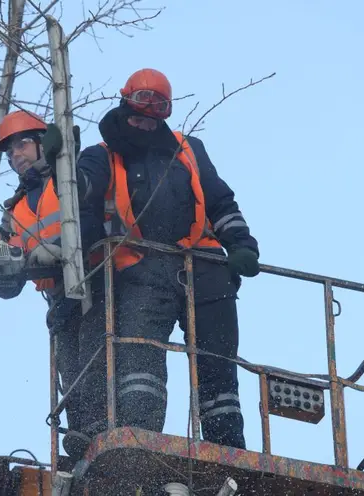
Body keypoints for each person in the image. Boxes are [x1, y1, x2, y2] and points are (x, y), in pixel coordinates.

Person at [41, 69, 261, 452]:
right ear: (125, 105)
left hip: (205, 266)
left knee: (217, 362)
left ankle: (227, 446)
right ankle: (141, 442)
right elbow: (79, 192)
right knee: (139, 363)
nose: (145, 122)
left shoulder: (188, 149)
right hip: (141, 268)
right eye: (139, 112)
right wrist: (62, 162)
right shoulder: (103, 155)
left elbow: (220, 201)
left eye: (154, 114)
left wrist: (241, 245)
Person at [0, 110, 106, 464]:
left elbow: (93, 220)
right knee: (70, 369)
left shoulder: (70, 178)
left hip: (96, 283)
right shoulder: (15, 211)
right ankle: (82, 439)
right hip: (59, 298)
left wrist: (63, 248)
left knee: (96, 359)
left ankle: (105, 428)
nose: (15, 156)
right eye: (9, 153)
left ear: (41, 144)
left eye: (21, 145)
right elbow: (11, 286)